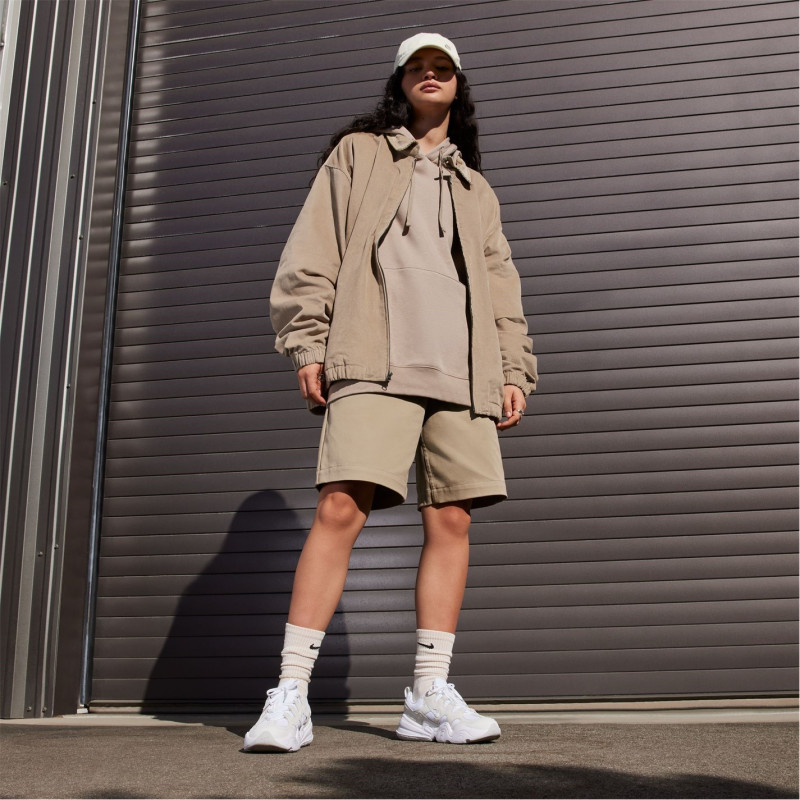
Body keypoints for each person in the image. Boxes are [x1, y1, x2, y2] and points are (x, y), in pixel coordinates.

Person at [244, 32, 538, 753]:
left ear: (458, 84)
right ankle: (291, 694)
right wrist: (308, 341)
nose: (430, 76)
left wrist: (513, 368)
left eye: (443, 69)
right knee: (340, 507)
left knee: (453, 521)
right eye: (418, 68)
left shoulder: (475, 188)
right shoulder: (360, 153)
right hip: (374, 358)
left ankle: (429, 696)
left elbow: (501, 288)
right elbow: (313, 249)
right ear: (400, 81)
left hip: (461, 370)